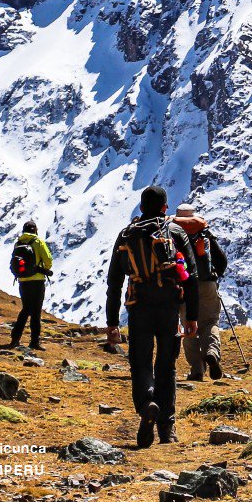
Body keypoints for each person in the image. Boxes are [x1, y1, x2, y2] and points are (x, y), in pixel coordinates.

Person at [106, 185, 199, 448]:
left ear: (141, 206)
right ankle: (167, 429)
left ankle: (147, 403)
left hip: (138, 309)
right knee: (166, 367)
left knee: (141, 364)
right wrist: (191, 317)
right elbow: (190, 277)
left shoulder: (126, 235)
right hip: (169, 307)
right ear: (165, 207)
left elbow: (114, 282)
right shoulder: (175, 231)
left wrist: (112, 323)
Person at [174, 202, 228, 380]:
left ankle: (197, 370)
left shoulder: (172, 233)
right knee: (210, 322)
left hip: (184, 285)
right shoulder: (203, 233)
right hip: (207, 284)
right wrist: (213, 276)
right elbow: (221, 261)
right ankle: (212, 352)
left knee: (189, 325)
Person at [9, 219, 54, 350]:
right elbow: (48, 260)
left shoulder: (18, 243)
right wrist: (42, 268)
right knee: (36, 312)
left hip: (23, 281)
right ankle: (34, 342)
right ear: (35, 230)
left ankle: (15, 338)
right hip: (37, 281)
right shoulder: (38, 242)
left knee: (25, 309)